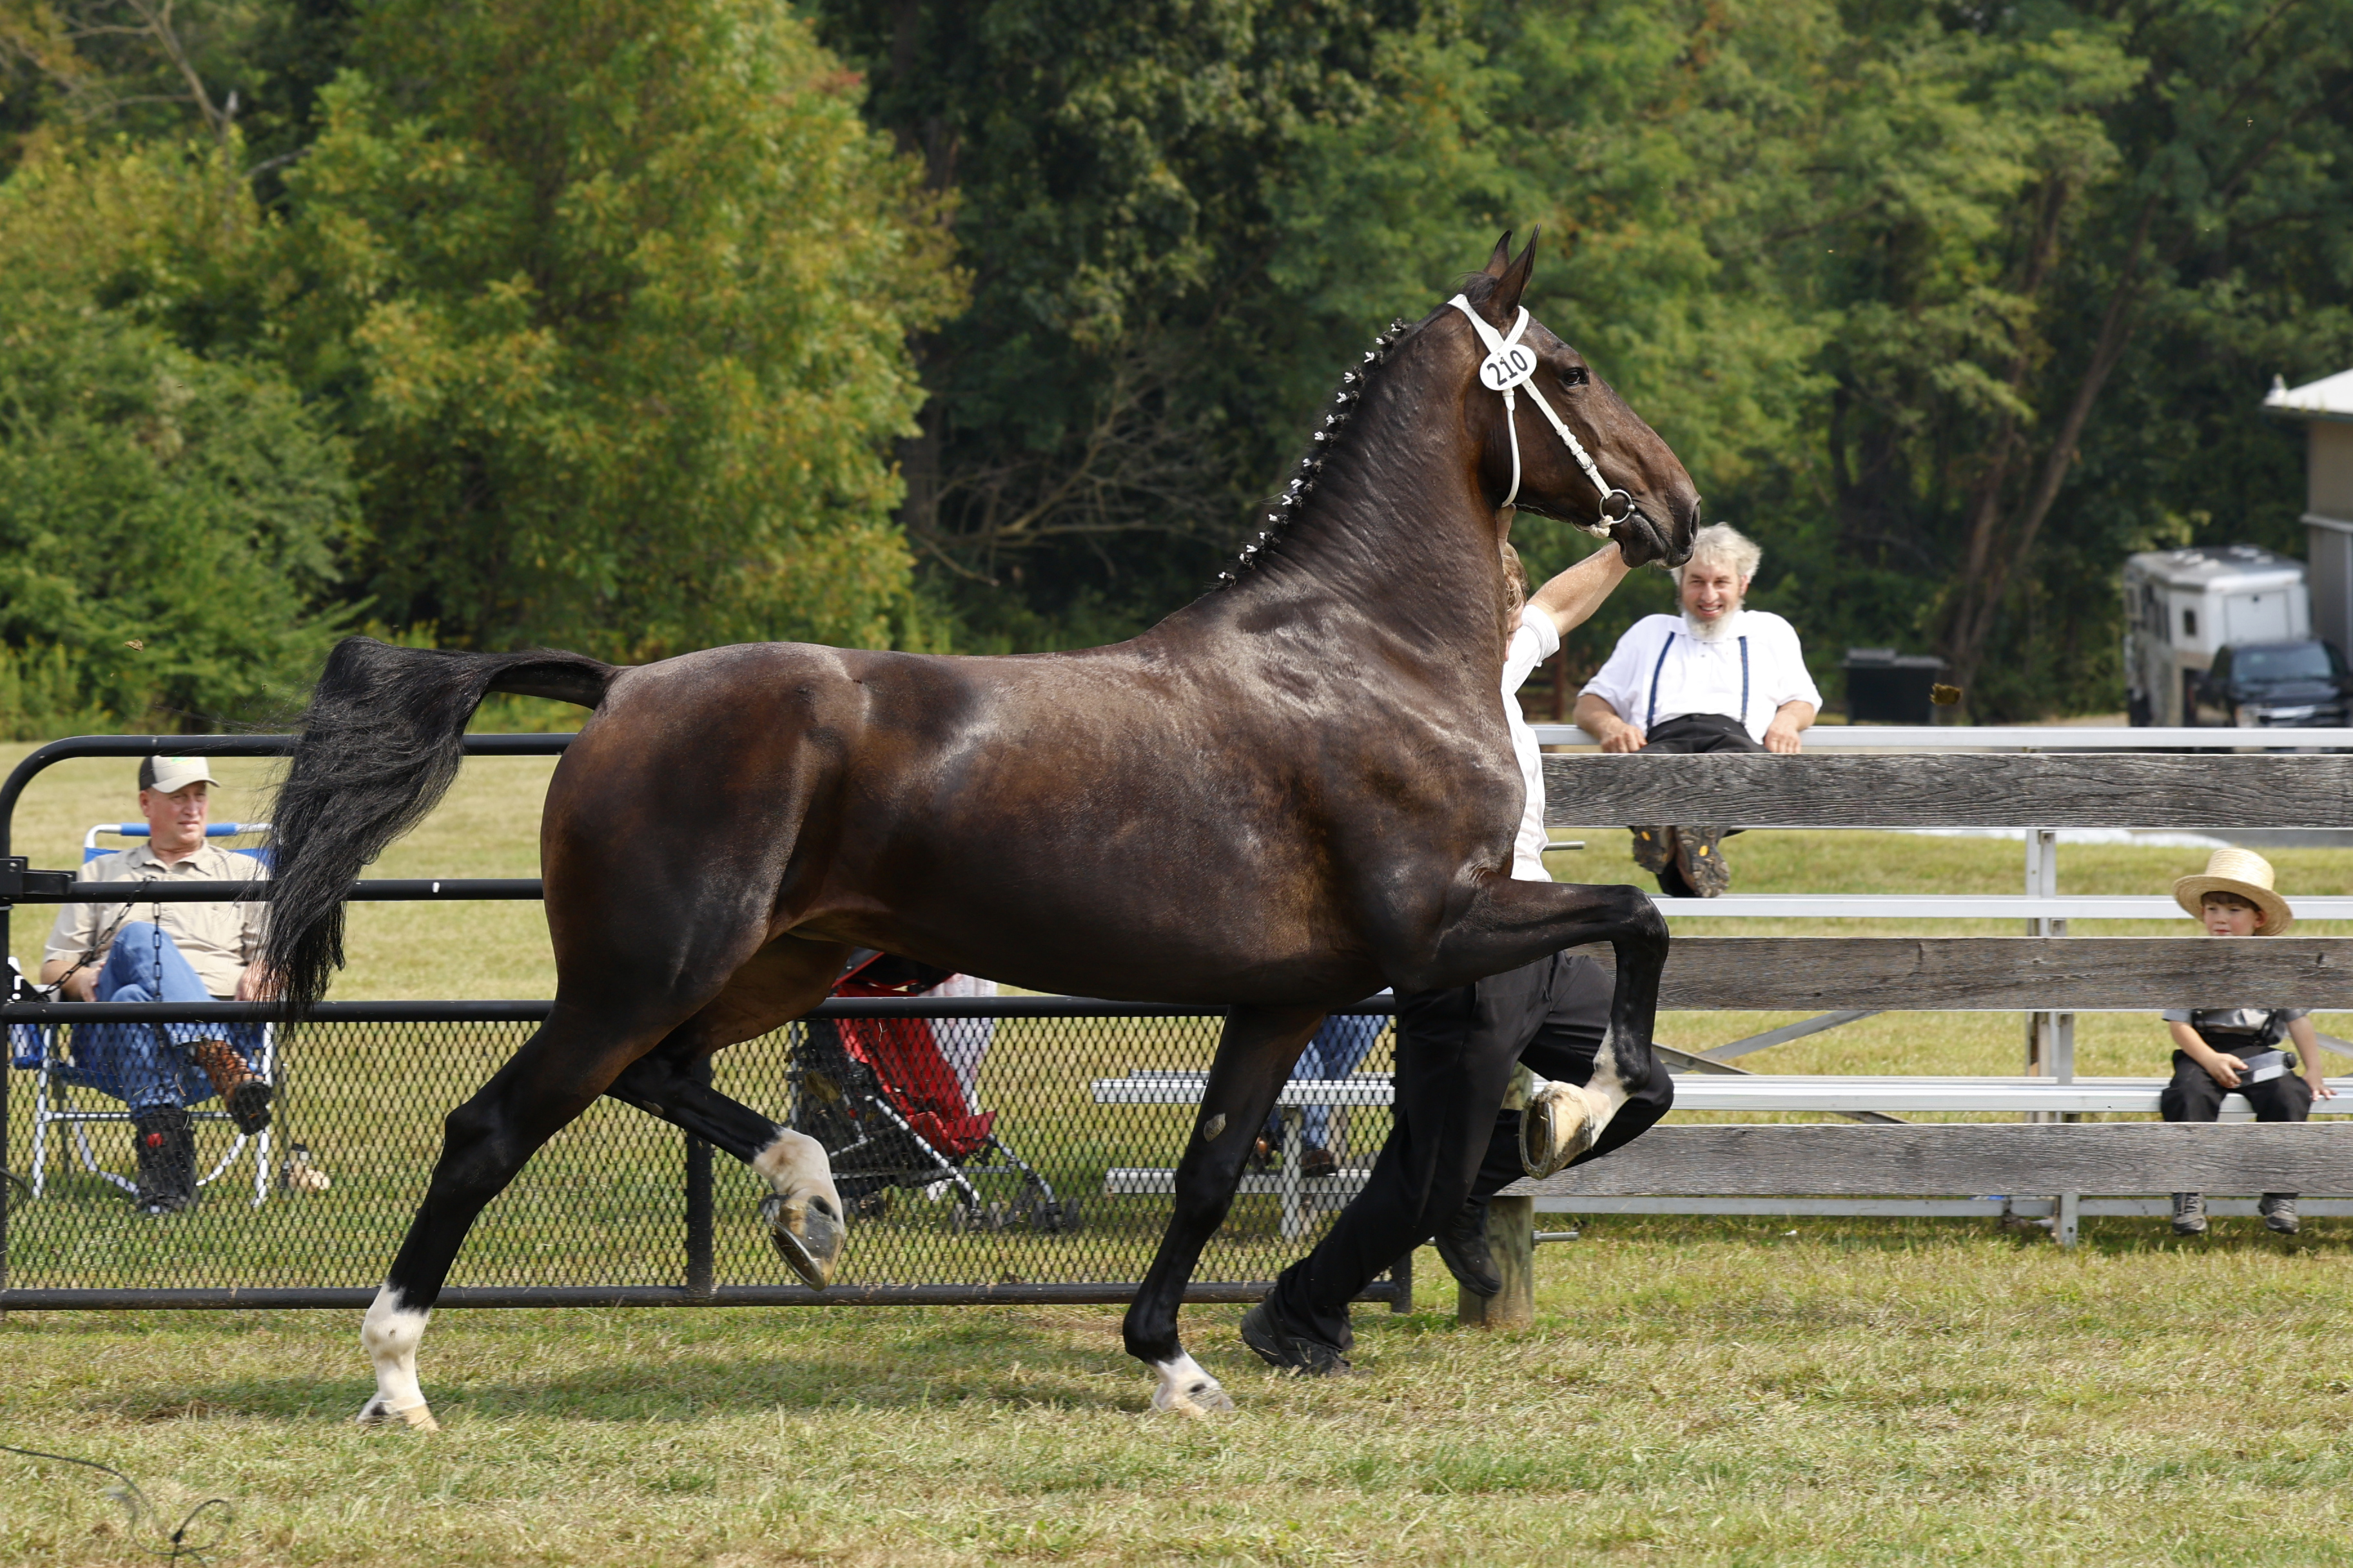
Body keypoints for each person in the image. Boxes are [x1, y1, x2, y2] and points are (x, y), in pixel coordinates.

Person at [1240, 538, 1677, 1375]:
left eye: (1508, 605)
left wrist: (1628, 547)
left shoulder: (1501, 657)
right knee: (1419, 1183)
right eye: (1493, 605)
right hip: (1464, 957)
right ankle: (1297, 1311)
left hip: (1539, 941)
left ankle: (1475, 1187)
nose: (1511, 619)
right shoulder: (1403, 693)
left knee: (1641, 1085)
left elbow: (1559, 605)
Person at [40, 757, 272, 1215]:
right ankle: (219, 1058)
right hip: (109, 1037)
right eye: (178, 797)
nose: (193, 808)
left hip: (204, 1019)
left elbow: (279, 961)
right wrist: (84, 977)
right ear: (146, 803)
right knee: (140, 937)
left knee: (134, 999)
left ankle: (168, 1185)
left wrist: (267, 969)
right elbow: (53, 967)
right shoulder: (102, 873)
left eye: (200, 795)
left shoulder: (246, 874)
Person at [1572, 523, 1819, 896]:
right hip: (1661, 747)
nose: (1709, 595)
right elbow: (1590, 703)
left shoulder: (1770, 631)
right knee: (1644, 771)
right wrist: (1609, 726)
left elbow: (1804, 700)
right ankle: (1691, 840)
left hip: (1735, 746)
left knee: (1738, 769)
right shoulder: (1649, 632)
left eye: (1721, 582)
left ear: (1743, 584)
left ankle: (1665, 832)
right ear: (1680, 584)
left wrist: (1787, 720)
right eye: (1697, 582)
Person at [2158, 847, 2336, 1237]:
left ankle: (2280, 1192)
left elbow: (2298, 1020)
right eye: (2213, 910)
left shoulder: (2272, 964)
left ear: (2259, 918)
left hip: (2257, 1050)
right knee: (2187, 1095)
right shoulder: (2192, 962)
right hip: (2202, 1049)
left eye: (2234, 911)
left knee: (2288, 1095)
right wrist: (2209, 1059)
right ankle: (2189, 1190)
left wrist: (2315, 1070)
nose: (2221, 919)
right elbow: (2180, 1025)